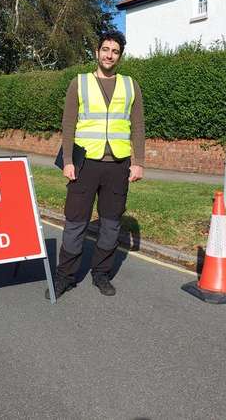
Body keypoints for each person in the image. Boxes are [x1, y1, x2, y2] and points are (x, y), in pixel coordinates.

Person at [50, 30, 145, 299]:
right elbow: (68, 125)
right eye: (105, 49)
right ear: (97, 52)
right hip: (84, 164)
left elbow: (138, 126)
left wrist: (138, 162)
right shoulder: (78, 83)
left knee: (111, 224)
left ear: (120, 56)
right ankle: (65, 277)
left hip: (118, 164)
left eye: (115, 51)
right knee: (75, 223)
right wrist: (68, 161)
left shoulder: (131, 85)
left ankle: (101, 274)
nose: (109, 55)